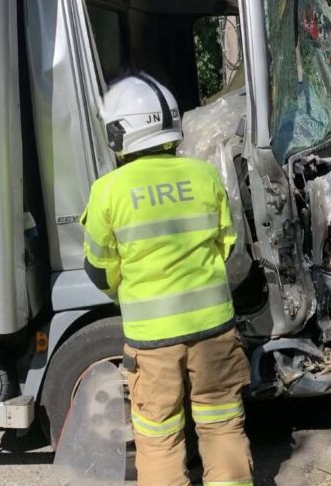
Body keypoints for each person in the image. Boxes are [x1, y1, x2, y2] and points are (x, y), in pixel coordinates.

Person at [81, 74, 253, 486]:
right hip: (214, 331)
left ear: (119, 132)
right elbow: (228, 246)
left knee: (159, 438)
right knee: (222, 426)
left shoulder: (107, 191)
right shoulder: (204, 175)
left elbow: (100, 270)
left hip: (152, 340)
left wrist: (133, 290)